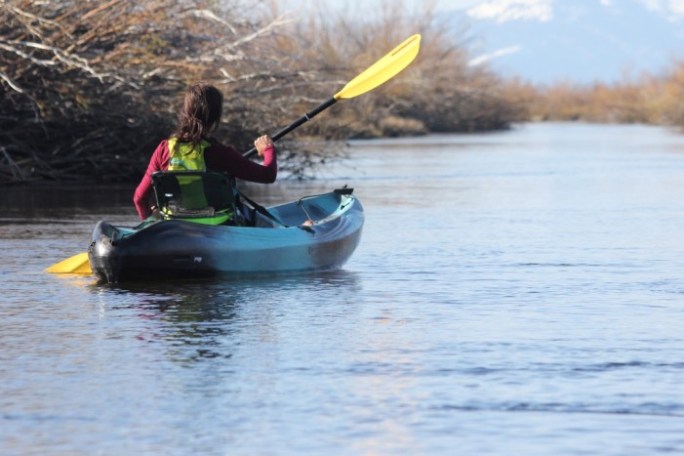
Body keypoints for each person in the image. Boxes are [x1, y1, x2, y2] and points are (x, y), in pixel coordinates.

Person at [133, 82, 277, 220]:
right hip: (221, 228)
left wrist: (151, 222)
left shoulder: (164, 150)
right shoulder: (222, 154)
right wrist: (267, 149)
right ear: (216, 117)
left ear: (185, 112)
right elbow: (268, 175)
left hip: (176, 229)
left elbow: (139, 199)